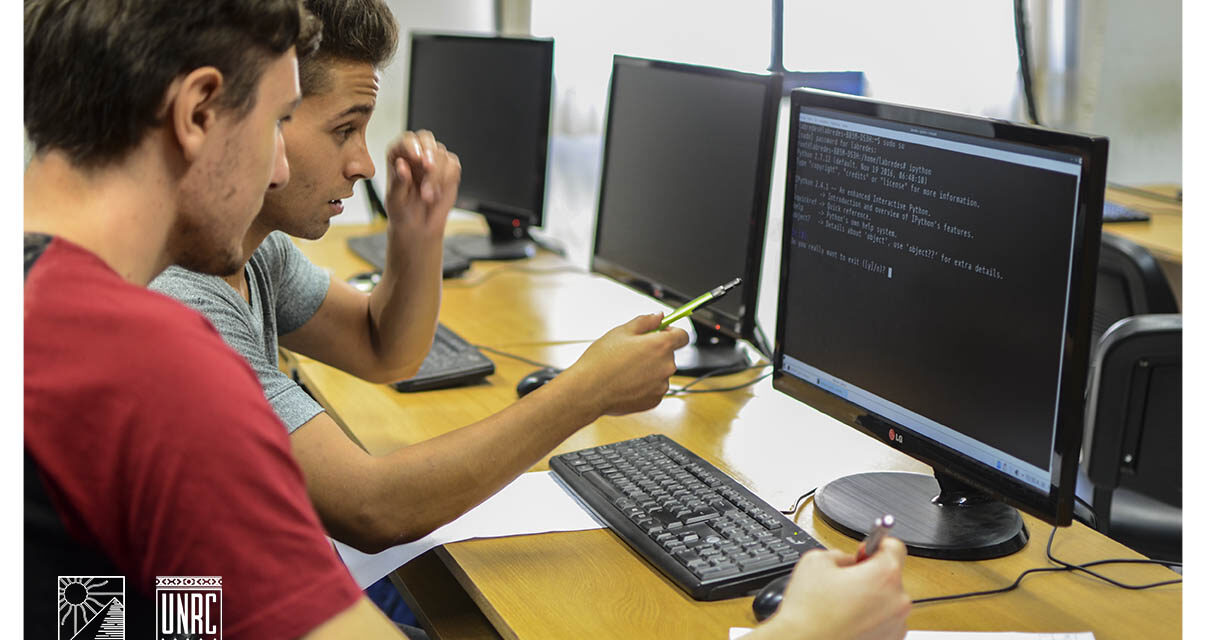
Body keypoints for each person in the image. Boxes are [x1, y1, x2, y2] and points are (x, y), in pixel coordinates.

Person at [149, 0, 691, 555]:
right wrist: (588, 391)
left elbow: (384, 351)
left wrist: (417, 233)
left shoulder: (254, 253)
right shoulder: (180, 299)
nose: (364, 163)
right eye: (344, 129)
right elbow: (370, 508)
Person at [23, 0, 409, 637]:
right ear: (199, 112)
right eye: (277, 120)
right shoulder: (146, 364)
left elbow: (86, 603)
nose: (278, 168)